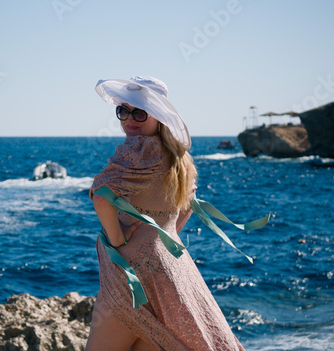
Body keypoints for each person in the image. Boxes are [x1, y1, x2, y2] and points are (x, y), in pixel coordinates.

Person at [85, 76, 245, 351]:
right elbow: (186, 209)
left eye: (139, 112)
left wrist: (118, 239)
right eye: (123, 111)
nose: (129, 120)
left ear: (158, 116)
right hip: (171, 276)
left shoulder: (139, 149)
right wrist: (157, 237)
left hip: (131, 278)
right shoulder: (180, 158)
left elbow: (101, 197)